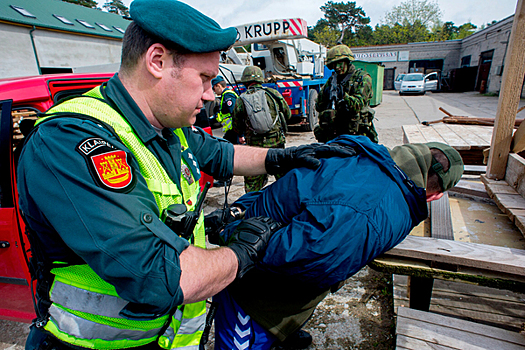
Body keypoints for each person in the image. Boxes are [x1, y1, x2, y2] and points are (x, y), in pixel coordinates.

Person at [16, 1, 356, 349]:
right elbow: (160, 275)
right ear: (157, 62)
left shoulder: (166, 126)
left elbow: (221, 154)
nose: (211, 94)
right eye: (205, 78)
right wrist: (244, 252)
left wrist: (284, 157)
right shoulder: (71, 144)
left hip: (167, 338)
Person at [206, 136, 464, 349]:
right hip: (254, 295)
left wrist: (237, 214)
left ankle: (285, 333)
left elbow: (289, 189)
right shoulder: (377, 209)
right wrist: (232, 232)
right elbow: (308, 259)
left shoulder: (364, 152)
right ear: (436, 196)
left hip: (256, 242)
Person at [232, 66, 292, 192]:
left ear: (245, 82)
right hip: (277, 145)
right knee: (285, 181)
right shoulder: (272, 93)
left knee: (252, 187)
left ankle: (252, 208)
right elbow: (288, 114)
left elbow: (237, 126)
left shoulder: (241, 99)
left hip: (255, 149)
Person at [315, 44, 378, 144]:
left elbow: (358, 104)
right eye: (334, 65)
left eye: (340, 64)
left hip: (357, 134)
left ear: (347, 62)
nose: (337, 67)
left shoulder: (362, 78)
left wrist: (344, 97)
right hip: (335, 135)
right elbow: (319, 106)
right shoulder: (332, 81)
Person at [212, 75, 243, 144]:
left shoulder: (228, 96)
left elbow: (236, 114)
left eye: (214, 89)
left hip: (235, 131)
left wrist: (241, 134)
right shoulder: (224, 96)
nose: (214, 91)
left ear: (218, 86)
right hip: (231, 131)